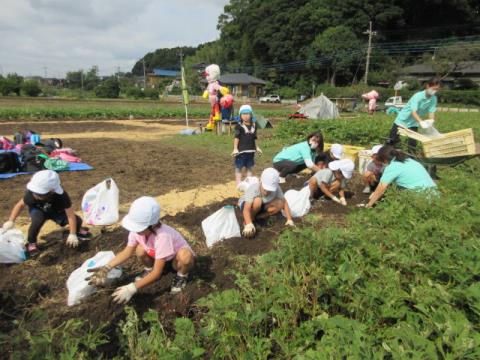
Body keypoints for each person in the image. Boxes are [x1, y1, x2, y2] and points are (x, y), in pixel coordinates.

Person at [87, 197, 195, 304]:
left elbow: (157, 273)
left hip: (175, 261)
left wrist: (132, 288)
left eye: (139, 228)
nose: (135, 230)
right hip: (158, 257)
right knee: (140, 249)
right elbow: (127, 252)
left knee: (185, 256)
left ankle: (181, 276)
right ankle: (148, 270)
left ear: (152, 225)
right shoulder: (137, 231)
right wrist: (106, 268)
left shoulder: (162, 236)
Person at [1, 170, 91, 257]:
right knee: (36, 222)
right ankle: (31, 243)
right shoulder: (31, 195)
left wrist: (72, 234)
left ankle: (74, 232)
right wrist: (11, 221)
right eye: (35, 193)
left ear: (51, 191)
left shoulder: (62, 196)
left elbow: (70, 215)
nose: (35, 196)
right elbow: (19, 205)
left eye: (39, 194)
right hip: (38, 210)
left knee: (78, 220)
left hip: (57, 211)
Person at [365, 145, 437, 208]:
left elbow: (381, 187)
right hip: (434, 195)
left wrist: (369, 204)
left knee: (393, 193)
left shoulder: (393, 166)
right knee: (394, 187)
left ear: (385, 160)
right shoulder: (409, 160)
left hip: (421, 199)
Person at [387, 78, 440, 151]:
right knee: (392, 140)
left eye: (436, 90)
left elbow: (431, 112)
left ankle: (411, 158)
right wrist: (421, 122)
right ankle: (388, 155)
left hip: (414, 122)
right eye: (433, 89)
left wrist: (431, 121)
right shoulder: (418, 96)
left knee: (412, 144)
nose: (434, 91)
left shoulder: (434, 99)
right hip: (402, 120)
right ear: (427, 86)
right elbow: (413, 111)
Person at [239, 168, 294, 238]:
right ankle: (250, 221)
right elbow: (246, 209)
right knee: (257, 201)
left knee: (280, 203)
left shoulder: (277, 188)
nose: (266, 192)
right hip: (248, 206)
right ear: (261, 182)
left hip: (262, 206)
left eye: (269, 190)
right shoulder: (253, 189)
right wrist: (248, 223)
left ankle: (259, 218)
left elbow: (284, 202)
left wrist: (289, 219)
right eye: (265, 189)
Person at [231, 105, 262, 185]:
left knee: (250, 167)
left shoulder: (254, 126)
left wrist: (257, 147)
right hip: (241, 152)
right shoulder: (239, 126)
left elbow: (255, 137)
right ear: (240, 115)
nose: (245, 116)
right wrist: (235, 148)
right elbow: (236, 138)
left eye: (247, 114)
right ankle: (238, 183)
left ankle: (249, 183)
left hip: (251, 151)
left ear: (251, 115)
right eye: (243, 114)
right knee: (238, 167)